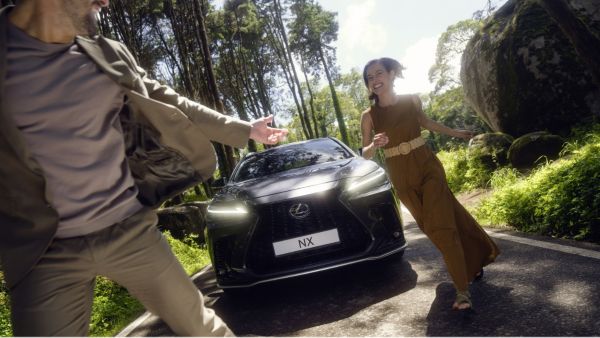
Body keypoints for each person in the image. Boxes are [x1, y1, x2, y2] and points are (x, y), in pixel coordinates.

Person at [0, 0, 288, 336]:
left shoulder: (107, 55)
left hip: (128, 229)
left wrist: (243, 129)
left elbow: (169, 101)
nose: (106, 2)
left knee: (204, 329)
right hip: (44, 250)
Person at [360, 57, 499, 311]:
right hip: (400, 176)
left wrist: (456, 133)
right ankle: (472, 259)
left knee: (442, 225)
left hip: (426, 165)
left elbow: (428, 123)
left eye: (379, 73)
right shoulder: (368, 116)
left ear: (391, 74)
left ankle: (462, 292)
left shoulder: (412, 100)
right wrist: (374, 145)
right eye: (369, 77)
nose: (374, 80)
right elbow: (365, 152)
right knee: (432, 226)